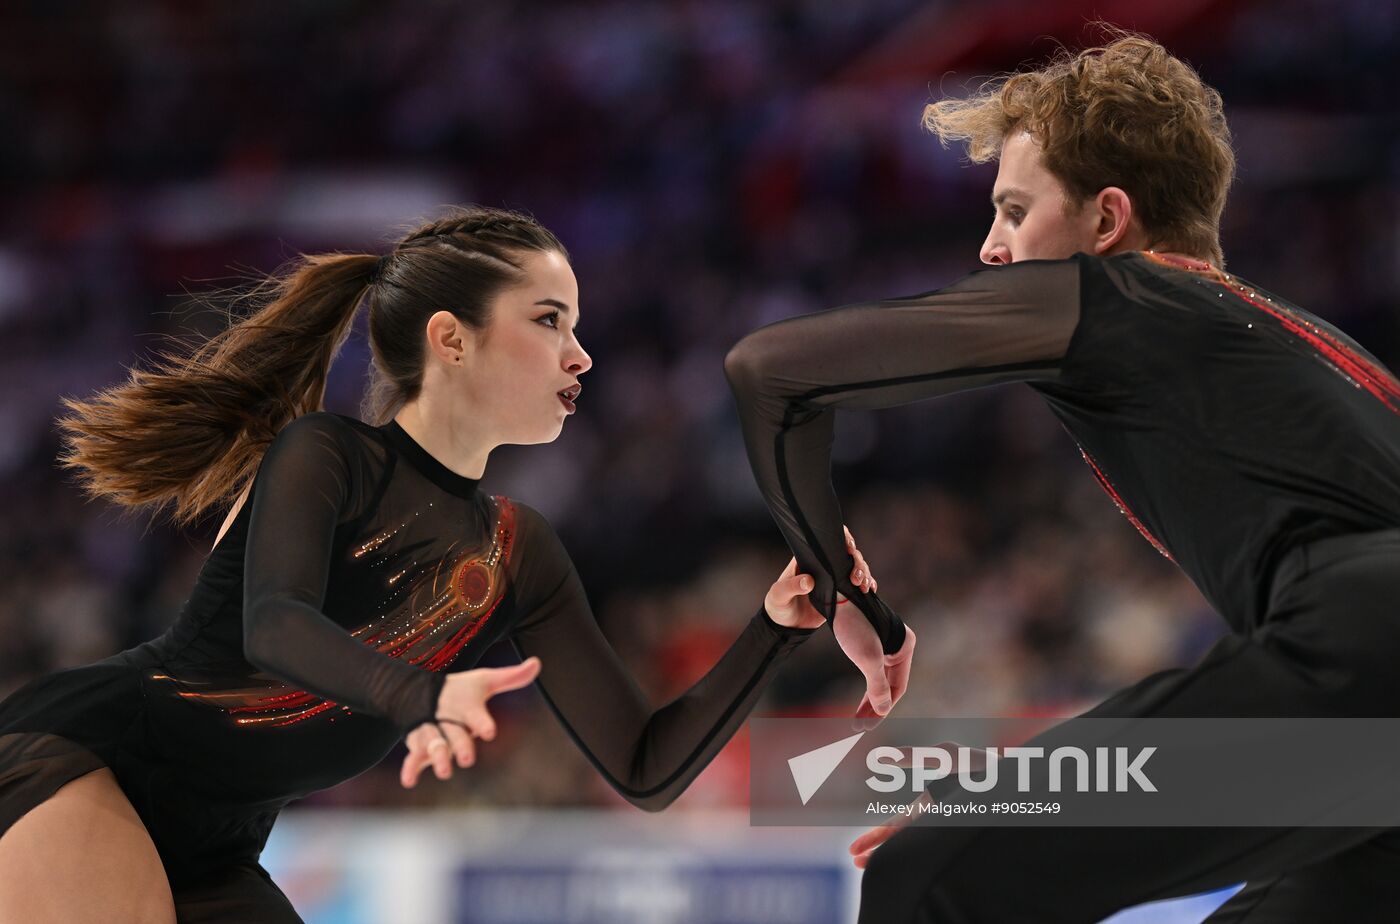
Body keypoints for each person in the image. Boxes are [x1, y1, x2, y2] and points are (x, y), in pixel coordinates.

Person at [0, 206, 878, 923]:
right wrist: (424, 695)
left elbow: (645, 769)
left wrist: (771, 630)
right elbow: (274, 626)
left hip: (219, 845)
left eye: (577, 326)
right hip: (87, 760)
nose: (581, 355)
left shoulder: (515, 548)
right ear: (450, 340)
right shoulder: (327, 454)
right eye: (549, 321)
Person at [724, 31, 1400, 922]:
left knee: (926, 878)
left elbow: (771, 369)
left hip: (1362, 658)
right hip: (1365, 709)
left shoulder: (1118, 295)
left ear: (1106, 221)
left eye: (1012, 210)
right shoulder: (1297, 341)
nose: (990, 247)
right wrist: (1025, 796)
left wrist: (843, 591)